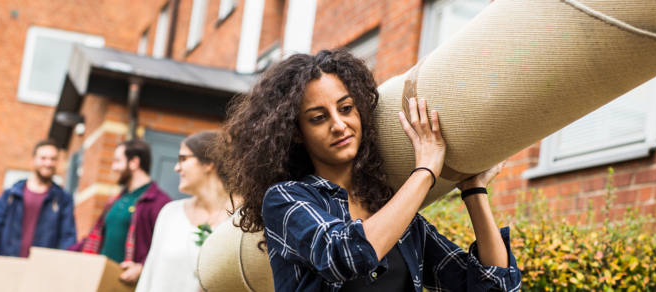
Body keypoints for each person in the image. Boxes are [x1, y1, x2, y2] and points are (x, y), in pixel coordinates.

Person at [219, 49, 522, 291]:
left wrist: (473, 189)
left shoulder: (397, 215)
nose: (339, 125)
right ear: (296, 132)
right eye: (318, 118)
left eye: (346, 108)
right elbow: (347, 255)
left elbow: (492, 286)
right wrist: (426, 171)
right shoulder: (286, 200)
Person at [135, 131, 241, 292]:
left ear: (208, 163)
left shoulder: (243, 218)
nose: (177, 168)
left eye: (183, 159)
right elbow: (149, 274)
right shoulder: (170, 213)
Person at [72, 139, 172, 284]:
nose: (113, 167)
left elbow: (165, 247)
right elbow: (95, 238)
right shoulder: (116, 200)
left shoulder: (159, 203)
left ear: (134, 163)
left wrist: (141, 267)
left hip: (126, 284)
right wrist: (58, 253)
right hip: (99, 279)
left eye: (117, 161)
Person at [0, 139, 76, 257]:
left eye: (53, 159)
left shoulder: (62, 200)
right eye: (43, 158)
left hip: (41, 269)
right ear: (33, 160)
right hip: (8, 263)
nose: (48, 163)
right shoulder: (11, 194)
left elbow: (68, 238)